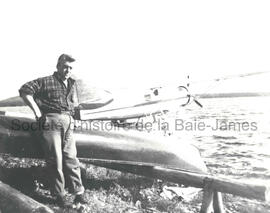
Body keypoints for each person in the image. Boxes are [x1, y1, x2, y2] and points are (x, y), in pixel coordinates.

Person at [19, 54, 87, 207]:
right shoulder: (46, 81)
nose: (67, 70)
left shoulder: (72, 83)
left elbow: (74, 104)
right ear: (58, 66)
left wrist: (74, 119)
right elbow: (25, 90)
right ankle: (59, 195)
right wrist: (37, 113)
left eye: (70, 67)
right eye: (65, 66)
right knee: (55, 159)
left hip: (68, 121)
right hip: (51, 121)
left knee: (71, 158)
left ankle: (79, 194)